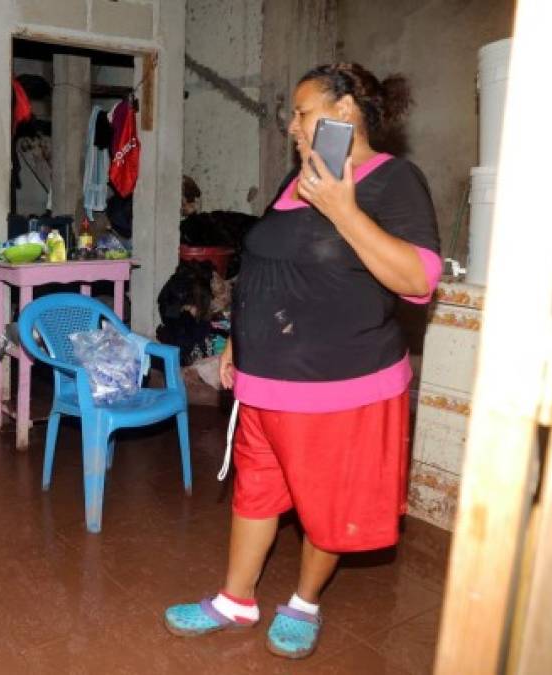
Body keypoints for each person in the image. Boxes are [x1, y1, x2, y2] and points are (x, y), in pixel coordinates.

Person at [164, 62, 442, 659]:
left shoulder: (392, 181)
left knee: (326, 501)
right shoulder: (298, 181)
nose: (290, 124)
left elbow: (419, 279)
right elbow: (266, 266)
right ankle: (236, 599)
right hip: (266, 383)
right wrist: (240, 338)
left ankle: (304, 602)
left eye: (302, 110)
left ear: (344, 113)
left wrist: (344, 209)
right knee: (256, 493)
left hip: (338, 385)